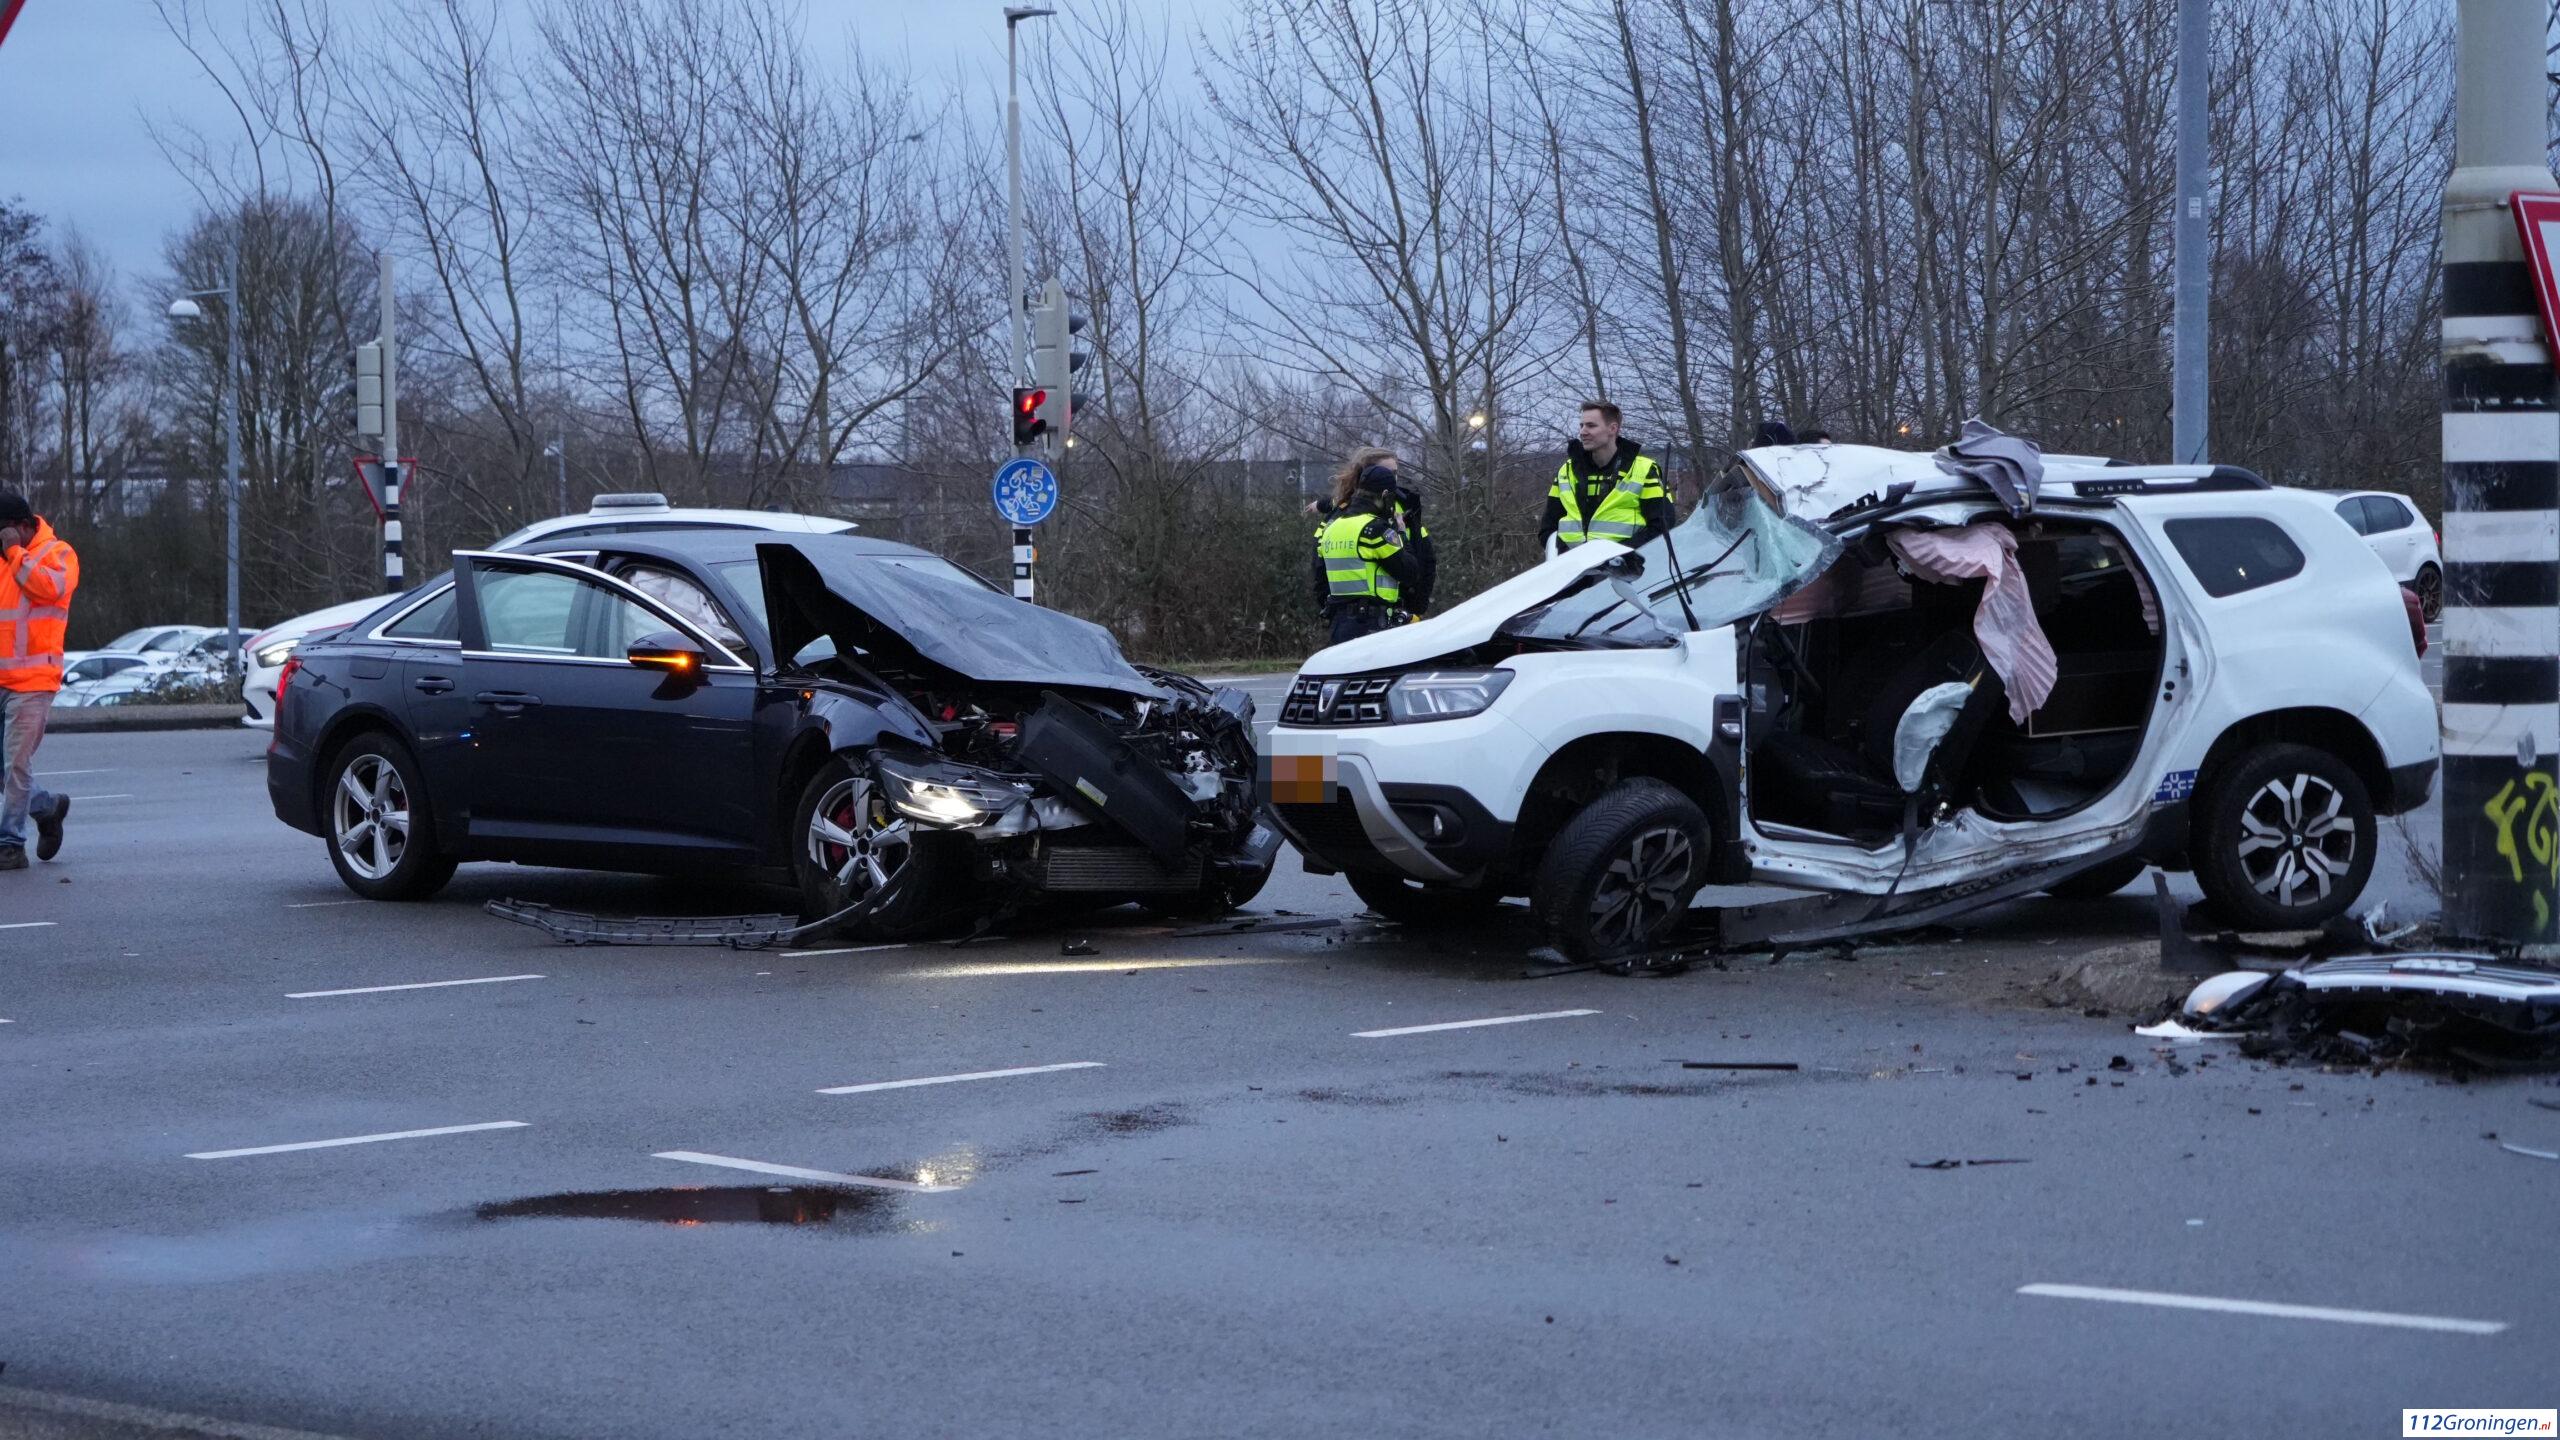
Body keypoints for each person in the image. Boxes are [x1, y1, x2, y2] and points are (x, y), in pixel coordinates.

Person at [0, 493, 79, 870]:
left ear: (22, 525)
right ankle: (47, 808)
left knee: (16, 764)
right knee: (5, 769)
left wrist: (15, 553)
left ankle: (10, 844)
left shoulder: (59, 553)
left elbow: (49, 588)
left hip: (34, 681)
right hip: (2, 679)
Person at [1310, 447, 1436, 615]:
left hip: (1399, 611)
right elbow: (1320, 567)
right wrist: (1332, 608)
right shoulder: (1341, 515)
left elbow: (1426, 558)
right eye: (1386, 472)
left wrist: (1417, 607)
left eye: (1395, 473)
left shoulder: (1406, 509)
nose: (1392, 479)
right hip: (1362, 614)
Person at [1311, 464, 1422, 645]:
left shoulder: (1332, 527)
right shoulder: (1375, 530)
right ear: (1385, 495)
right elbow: (1410, 572)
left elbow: (1319, 575)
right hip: (1371, 623)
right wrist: (1401, 532)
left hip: (1339, 624)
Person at [1541, 400, 1672, 552]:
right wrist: (1568, 559)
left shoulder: (1644, 469)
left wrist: (1619, 556)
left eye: (1591, 426)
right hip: (1574, 572)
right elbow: (1547, 529)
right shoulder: (1567, 471)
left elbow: (1662, 526)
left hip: (1629, 571)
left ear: (1612, 428)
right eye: (1581, 425)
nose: (1583, 432)